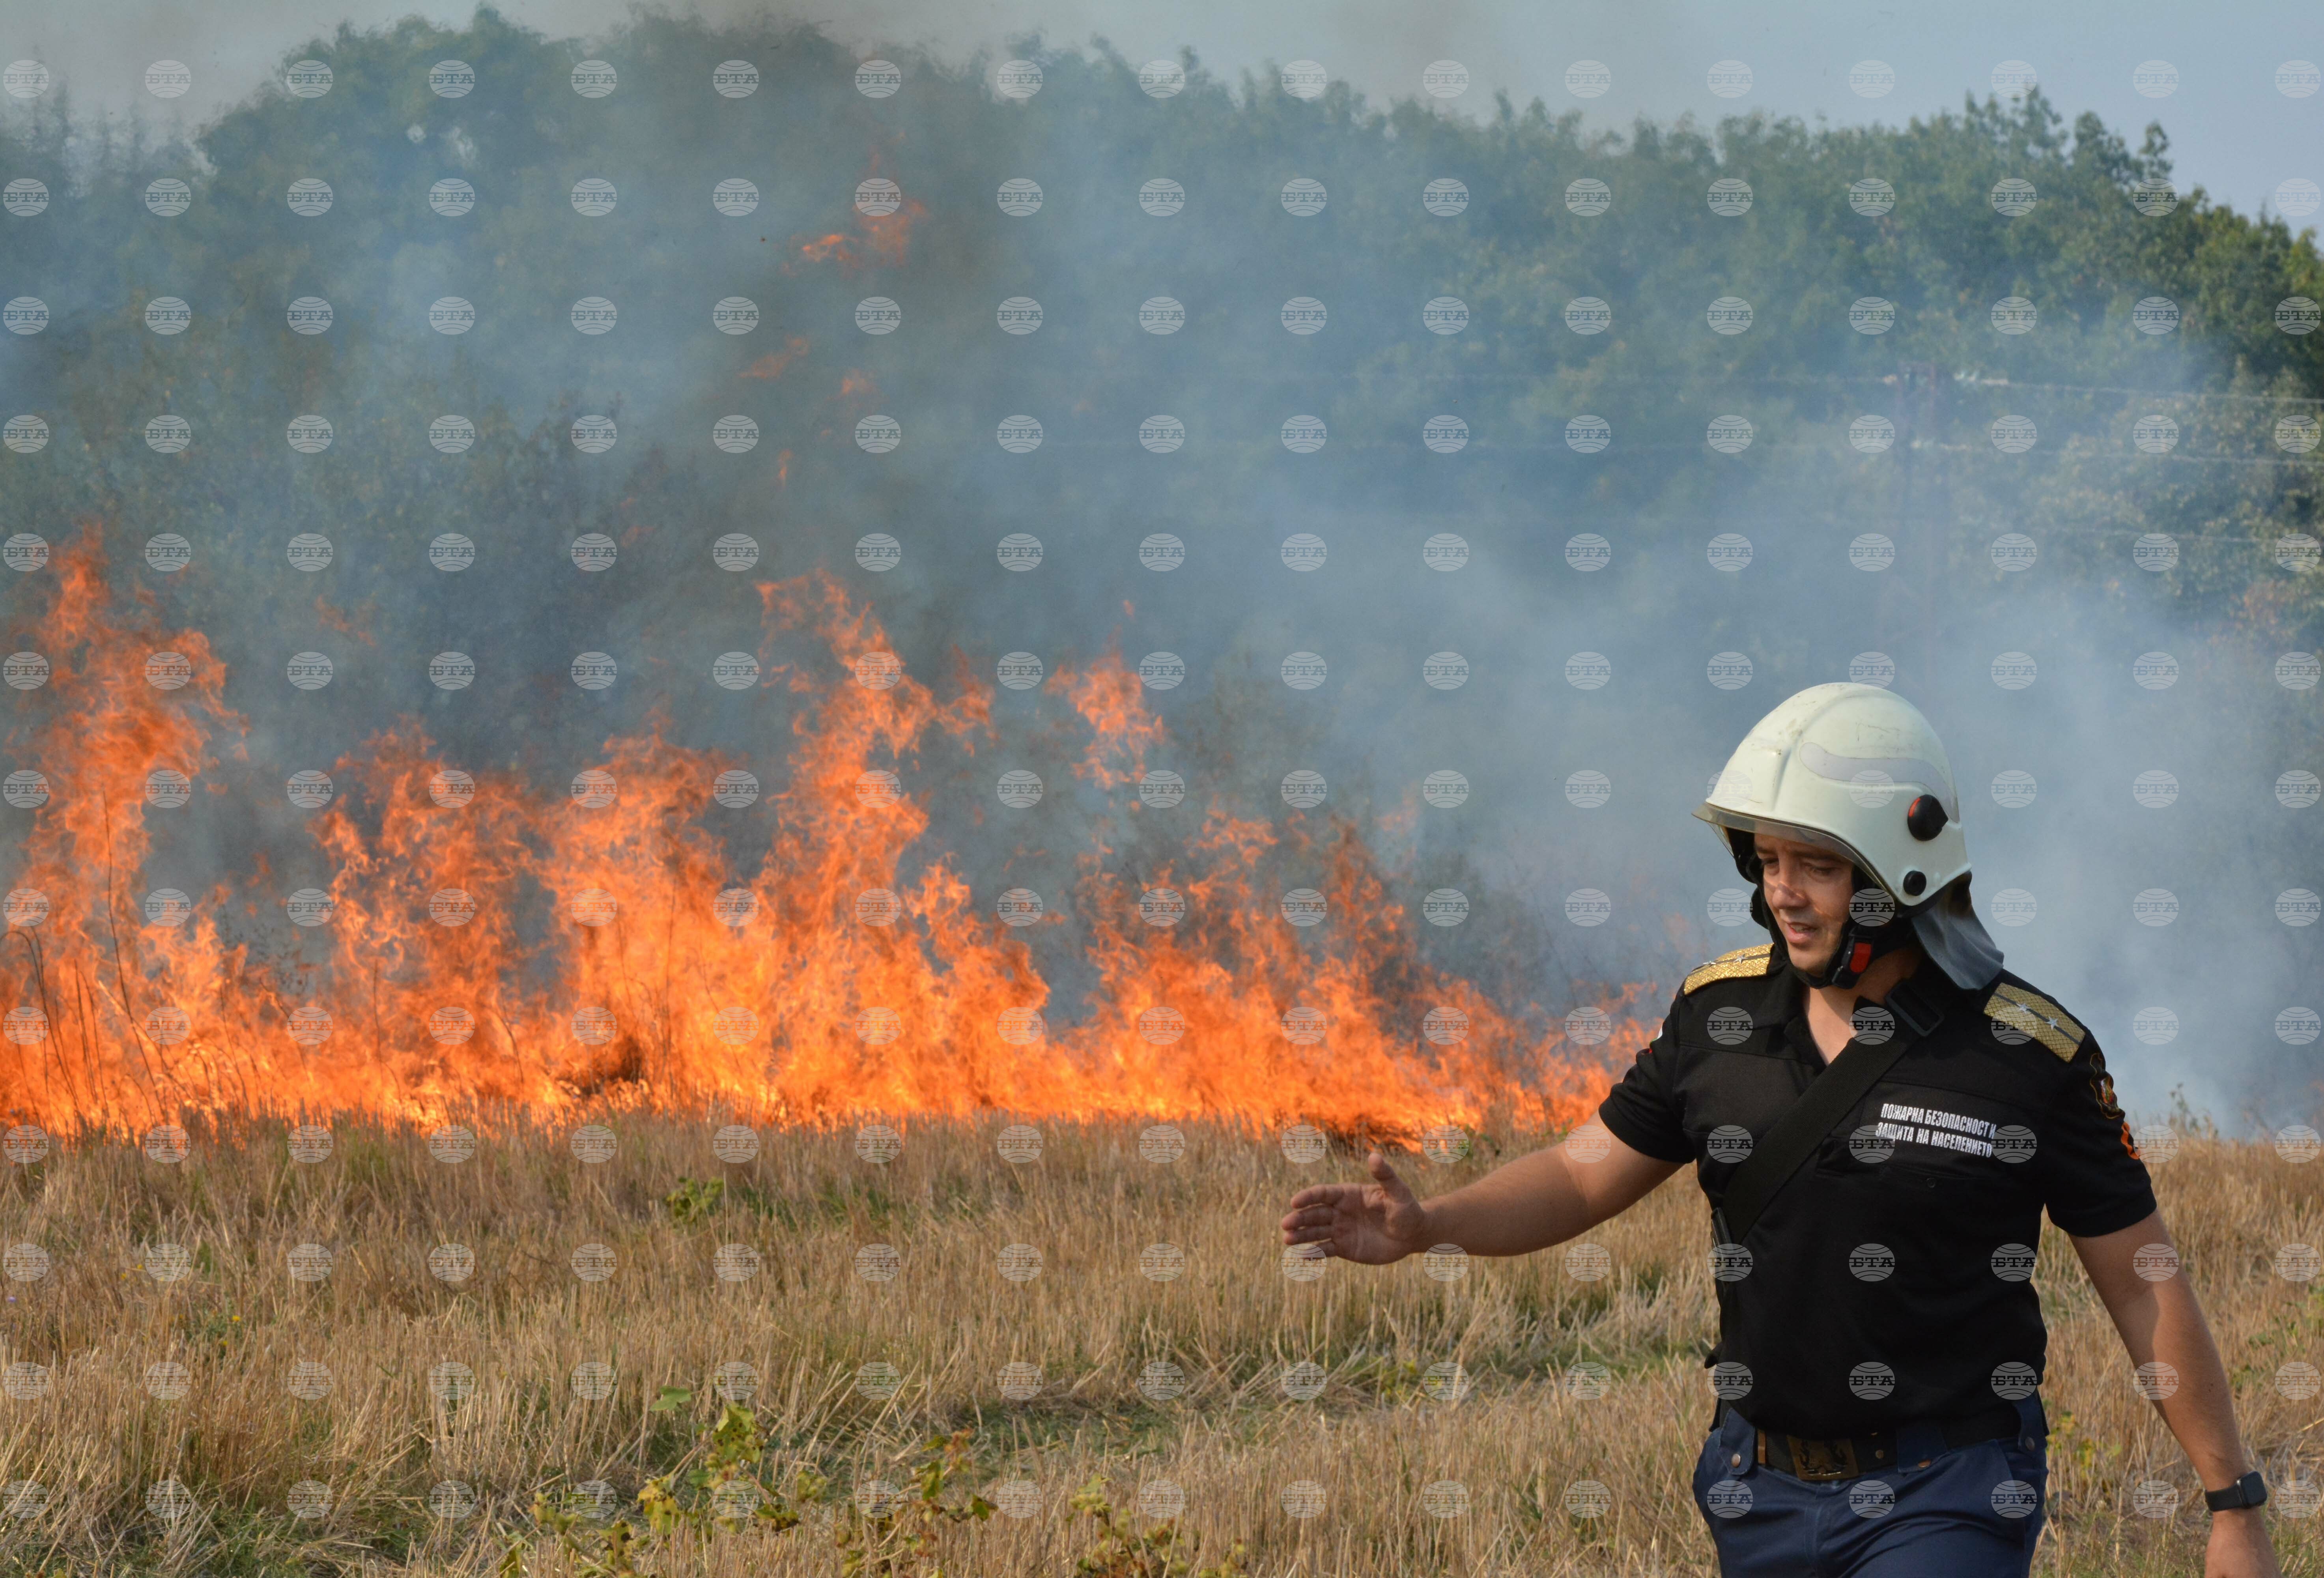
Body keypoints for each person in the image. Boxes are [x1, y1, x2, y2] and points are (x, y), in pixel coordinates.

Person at [1280, 683, 2281, 1577]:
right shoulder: (1717, 1018)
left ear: (1902, 873)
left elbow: (2143, 1283)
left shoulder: (2026, 1052)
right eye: (1766, 860)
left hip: (1948, 1488)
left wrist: (2233, 1503)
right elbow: (1582, 1174)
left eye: (1817, 865)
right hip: (1755, 1488)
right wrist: (1433, 1225)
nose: (1782, 892)